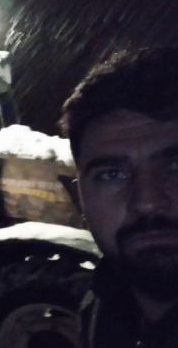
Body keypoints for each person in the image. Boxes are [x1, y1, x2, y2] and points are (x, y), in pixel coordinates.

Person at [61, 47, 178, 347]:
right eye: (111, 175)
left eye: (175, 167)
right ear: (80, 201)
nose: (147, 201)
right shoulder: (101, 308)